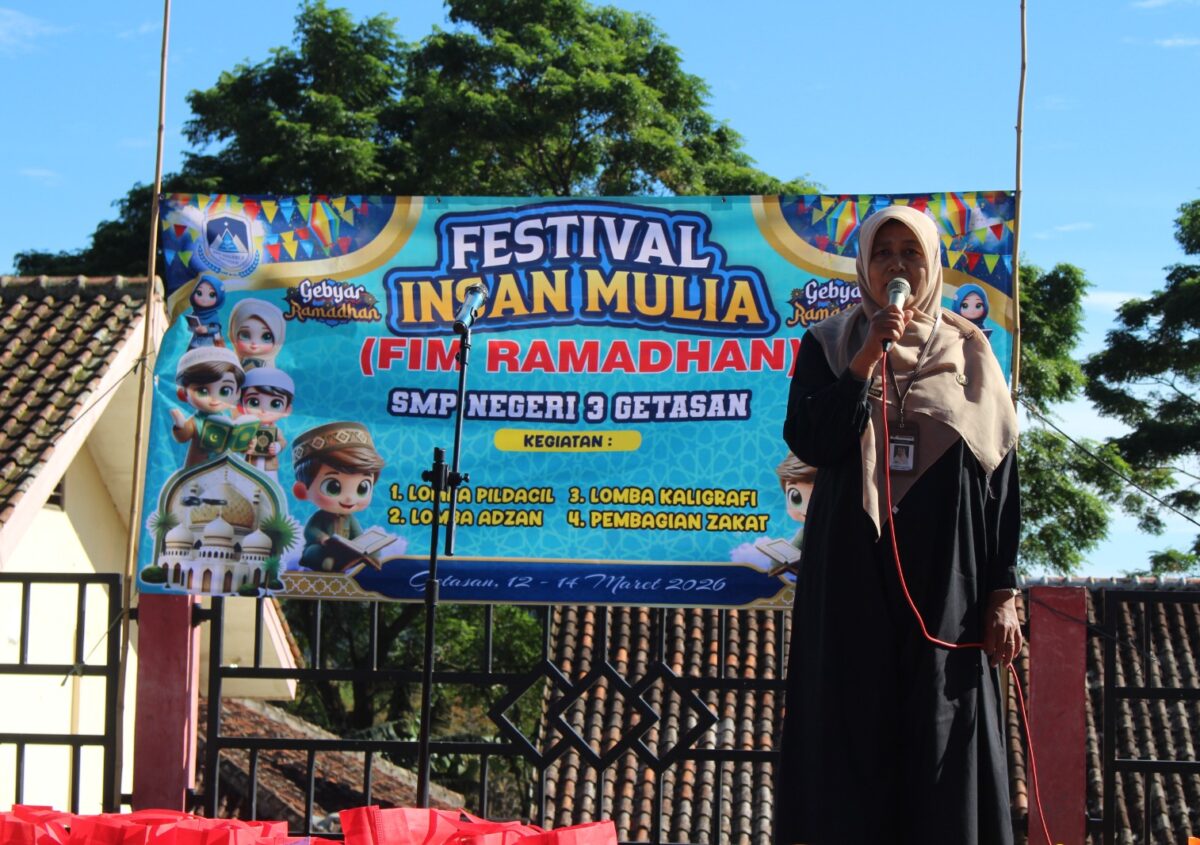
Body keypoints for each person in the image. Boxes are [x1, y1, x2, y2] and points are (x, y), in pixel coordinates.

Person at [775, 205, 1021, 844]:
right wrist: (864, 358)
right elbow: (813, 439)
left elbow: (1000, 479)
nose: (897, 266)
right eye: (883, 253)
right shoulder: (829, 344)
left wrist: (1003, 591)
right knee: (850, 721)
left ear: (932, 263)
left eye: (910, 253)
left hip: (948, 576)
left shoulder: (971, 349)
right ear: (864, 265)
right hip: (851, 569)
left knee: (941, 719)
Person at [292, 421, 385, 572]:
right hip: (323, 549)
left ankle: (371, 561)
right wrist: (322, 538)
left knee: (373, 550)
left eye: (362, 488)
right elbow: (310, 530)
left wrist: (362, 546)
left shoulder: (350, 519)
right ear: (302, 491)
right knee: (317, 553)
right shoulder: (320, 517)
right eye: (333, 487)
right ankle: (326, 563)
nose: (349, 499)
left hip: (344, 553)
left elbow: (357, 535)